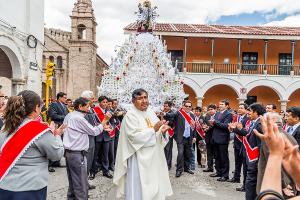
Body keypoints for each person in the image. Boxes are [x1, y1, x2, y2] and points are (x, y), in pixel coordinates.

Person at [0, 90, 64, 200]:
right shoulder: (39, 130)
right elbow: (56, 155)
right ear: (36, 107)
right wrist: (56, 135)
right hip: (29, 188)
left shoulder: (6, 126)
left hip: (5, 185)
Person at [113, 88, 173, 200]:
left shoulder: (150, 112)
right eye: (140, 98)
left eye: (145, 97)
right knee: (139, 189)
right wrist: (153, 130)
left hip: (154, 158)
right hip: (138, 158)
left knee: (155, 184)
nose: (144, 100)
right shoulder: (130, 116)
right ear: (133, 101)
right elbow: (133, 137)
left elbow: (157, 133)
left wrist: (162, 132)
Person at [63, 97, 112, 200]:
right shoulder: (78, 118)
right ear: (80, 106)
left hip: (70, 152)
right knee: (81, 184)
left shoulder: (70, 115)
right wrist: (105, 120)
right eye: (87, 106)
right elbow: (94, 131)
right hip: (76, 153)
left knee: (73, 182)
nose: (89, 108)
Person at [231, 103, 266, 200]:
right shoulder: (254, 122)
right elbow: (247, 134)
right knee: (249, 180)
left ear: (256, 112)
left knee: (252, 182)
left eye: (250, 111)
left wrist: (259, 160)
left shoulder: (259, 124)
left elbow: (260, 144)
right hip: (249, 154)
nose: (248, 113)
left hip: (254, 157)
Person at [165, 100, 197, 177]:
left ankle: (186, 168)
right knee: (180, 153)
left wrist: (194, 136)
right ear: (183, 106)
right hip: (181, 137)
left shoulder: (192, 115)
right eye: (186, 106)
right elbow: (171, 115)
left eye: (189, 106)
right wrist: (165, 114)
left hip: (189, 137)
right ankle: (179, 170)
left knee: (187, 153)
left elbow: (194, 127)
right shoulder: (179, 113)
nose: (188, 108)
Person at [209, 100, 233, 182]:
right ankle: (218, 172)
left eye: (222, 104)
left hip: (223, 138)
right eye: (219, 104)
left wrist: (215, 122)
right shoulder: (218, 113)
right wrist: (211, 124)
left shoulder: (229, 114)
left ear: (227, 106)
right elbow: (216, 124)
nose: (220, 105)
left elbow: (226, 126)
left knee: (224, 157)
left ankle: (225, 175)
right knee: (217, 156)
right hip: (215, 137)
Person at [228, 103, 249, 188]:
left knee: (245, 164)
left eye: (241, 108)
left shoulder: (247, 118)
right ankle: (236, 177)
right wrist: (231, 128)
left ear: (246, 109)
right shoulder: (237, 117)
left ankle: (245, 184)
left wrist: (235, 129)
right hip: (237, 142)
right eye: (239, 107)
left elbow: (245, 132)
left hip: (243, 143)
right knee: (237, 162)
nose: (239, 109)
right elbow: (234, 128)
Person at [80, 90, 98, 190]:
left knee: (89, 162)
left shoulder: (91, 109)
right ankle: (83, 185)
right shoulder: (84, 111)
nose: (93, 100)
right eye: (92, 98)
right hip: (86, 139)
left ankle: (85, 182)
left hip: (92, 139)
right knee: (85, 163)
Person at [47, 92, 69, 171]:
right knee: (54, 145)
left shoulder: (65, 106)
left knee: (61, 144)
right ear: (59, 97)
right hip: (56, 126)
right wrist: (65, 117)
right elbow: (52, 115)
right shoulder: (54, 104)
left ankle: (57, 162)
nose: (66, 99)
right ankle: (50, 164)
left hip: (62, 127)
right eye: (65, 97)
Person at [162, 101, 176, 170]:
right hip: (162, 132)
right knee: (162, 148)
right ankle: (163, 164)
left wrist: (166, 123)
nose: (165, 107)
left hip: (168, 132)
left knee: (168, 149)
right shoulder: (162, 112)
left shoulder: (172, 113)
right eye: (164, 106)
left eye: (166, 106)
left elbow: (172, 122)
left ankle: (168, 165)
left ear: (170, 107)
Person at [203, 104, 217, 173]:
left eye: (211, 109)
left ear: (215, 110)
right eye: (209, 110)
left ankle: (217, 169)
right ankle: (210, 167)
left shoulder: (217, 116)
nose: (210, 111)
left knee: (216, 154)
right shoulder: (207, 116)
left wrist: (208, 128)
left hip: (215, 137)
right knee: (209, 153)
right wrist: (204, 128)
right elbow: (205, 125)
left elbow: (215, 126)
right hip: (208, 137)